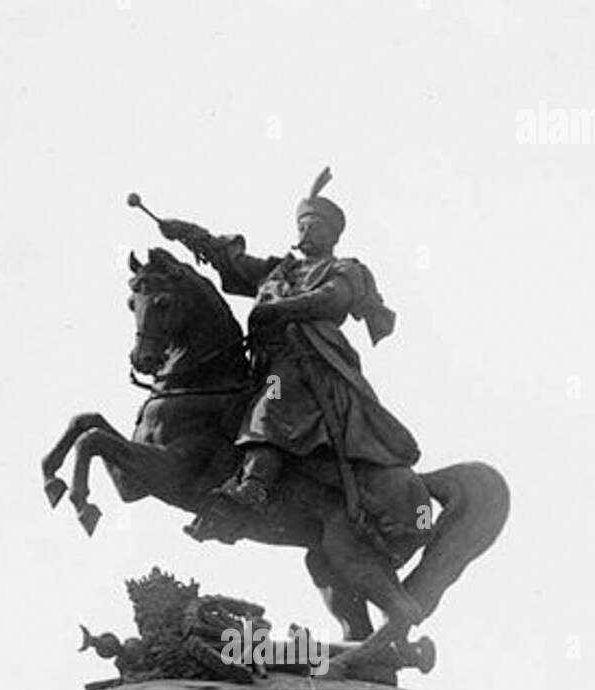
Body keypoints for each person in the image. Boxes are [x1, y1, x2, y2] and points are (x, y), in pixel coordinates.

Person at [159, 167, 419, 516]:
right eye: (302, 225)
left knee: (271, 401)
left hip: (307, 362)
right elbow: (233, 260)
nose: (306, 231)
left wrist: (280, 309)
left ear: (333, 234)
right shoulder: (280, 271)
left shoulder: (346, 269)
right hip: (263, 364)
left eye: (315, 225)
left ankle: (254, 487)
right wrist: (186, 233)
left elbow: (331, 299)